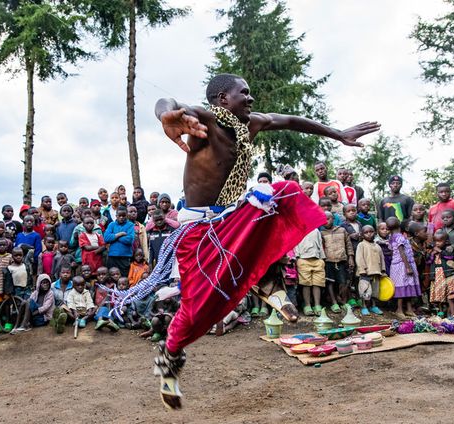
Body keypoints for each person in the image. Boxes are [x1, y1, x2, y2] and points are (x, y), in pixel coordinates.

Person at [145, 72, 378, 408]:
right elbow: (171, 104)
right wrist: (165, 114)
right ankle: (170, 358)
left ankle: (268, 281)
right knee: (197, 312)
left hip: (231, 217)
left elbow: (293, 120)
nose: (251, 99)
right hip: (198, 232)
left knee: (283, 192)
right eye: (245, 93)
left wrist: (338, 134)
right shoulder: (205, 119)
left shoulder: (251, 124)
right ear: (223, 98)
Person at [387, 217, 420, 319]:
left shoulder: (392, 237)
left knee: (407, 286)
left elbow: (392, 252)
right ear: (399, 224)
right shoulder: (400, 237)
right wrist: (408, 267)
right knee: (402, 286)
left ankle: (409, 309)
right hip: (403, 265)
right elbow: (402, 252)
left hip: (397, 264)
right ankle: (399, 309)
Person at [321, 211, 354, 312]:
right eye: (323, 219)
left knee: (343, 282)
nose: (326, 221)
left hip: (341, 260)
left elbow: (348, 245)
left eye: (328, 218)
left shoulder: (342, 230)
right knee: (330, 283)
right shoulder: (321, 233)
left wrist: (351, 257)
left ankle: (344, 302)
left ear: (333, 219)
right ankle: (334, 303)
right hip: (328, 261)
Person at [355, 225, 385, 316]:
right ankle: (364, 306)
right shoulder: (361, 245)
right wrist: (362, 269)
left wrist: (383, 270)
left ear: (375, 233)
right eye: (366, 232)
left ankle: (374, 306)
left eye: (371, 232)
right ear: (362, 235)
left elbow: (382, 258)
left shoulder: (377, 246)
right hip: (365, 272)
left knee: (375, 291)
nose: (369, 234)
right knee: (365, 290)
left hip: (376, 272)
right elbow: (359, 258)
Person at [294, 228, 325, 316]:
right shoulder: (298, 230)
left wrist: (322, 258)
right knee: (305, 284)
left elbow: (320, 243)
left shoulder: (316, 231)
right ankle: (307, 305)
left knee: (317, 283)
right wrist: (297, 258)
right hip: (303, 259)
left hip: (317, 259)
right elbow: (295, 245)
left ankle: (317, 305)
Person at [428, 230, 454, 317]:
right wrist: (432, 254)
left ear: (446, 241)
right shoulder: (432, 250)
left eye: (440, 241)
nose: (437, 243)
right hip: (435, 275)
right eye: (435, 241)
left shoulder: (448, 249)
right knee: (437, 293)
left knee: (445, 292)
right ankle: (440, 311)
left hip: (445, 275)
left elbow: (450, 257)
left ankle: (447, 311)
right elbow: (428, 261)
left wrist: (440, 251)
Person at [103, 206, 135, 278]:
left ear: (126, 215)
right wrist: (119, 234)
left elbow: (129, 240)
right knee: (111, 277)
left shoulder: (130, 225)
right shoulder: (112, 224)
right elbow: (106, 238)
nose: (121, 217)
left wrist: (114, 237)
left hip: (125, 257)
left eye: (123, 216)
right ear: (116, 216)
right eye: (119, 216)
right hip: (112, 257)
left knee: (124, 277)